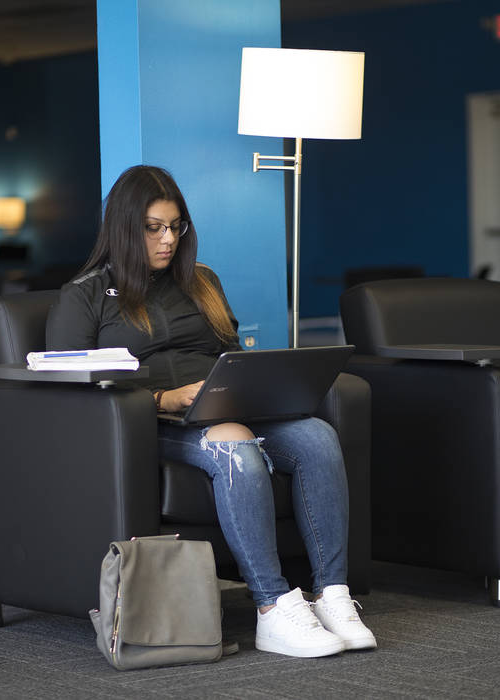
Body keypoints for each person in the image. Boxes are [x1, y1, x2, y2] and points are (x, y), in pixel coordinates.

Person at [47, 165, 376, 658]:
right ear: (122, 228)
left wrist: (252, 386)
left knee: (316, 437)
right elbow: (74, 391)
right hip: (148, 422)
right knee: (234, 446)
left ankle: (331, 594)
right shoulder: (85, 296)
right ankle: (272, 608)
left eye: (175, 226)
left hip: (224, 405)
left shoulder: (201, 282)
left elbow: (227, 356)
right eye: (153, 228)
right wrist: (162, 399)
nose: (167, 240)